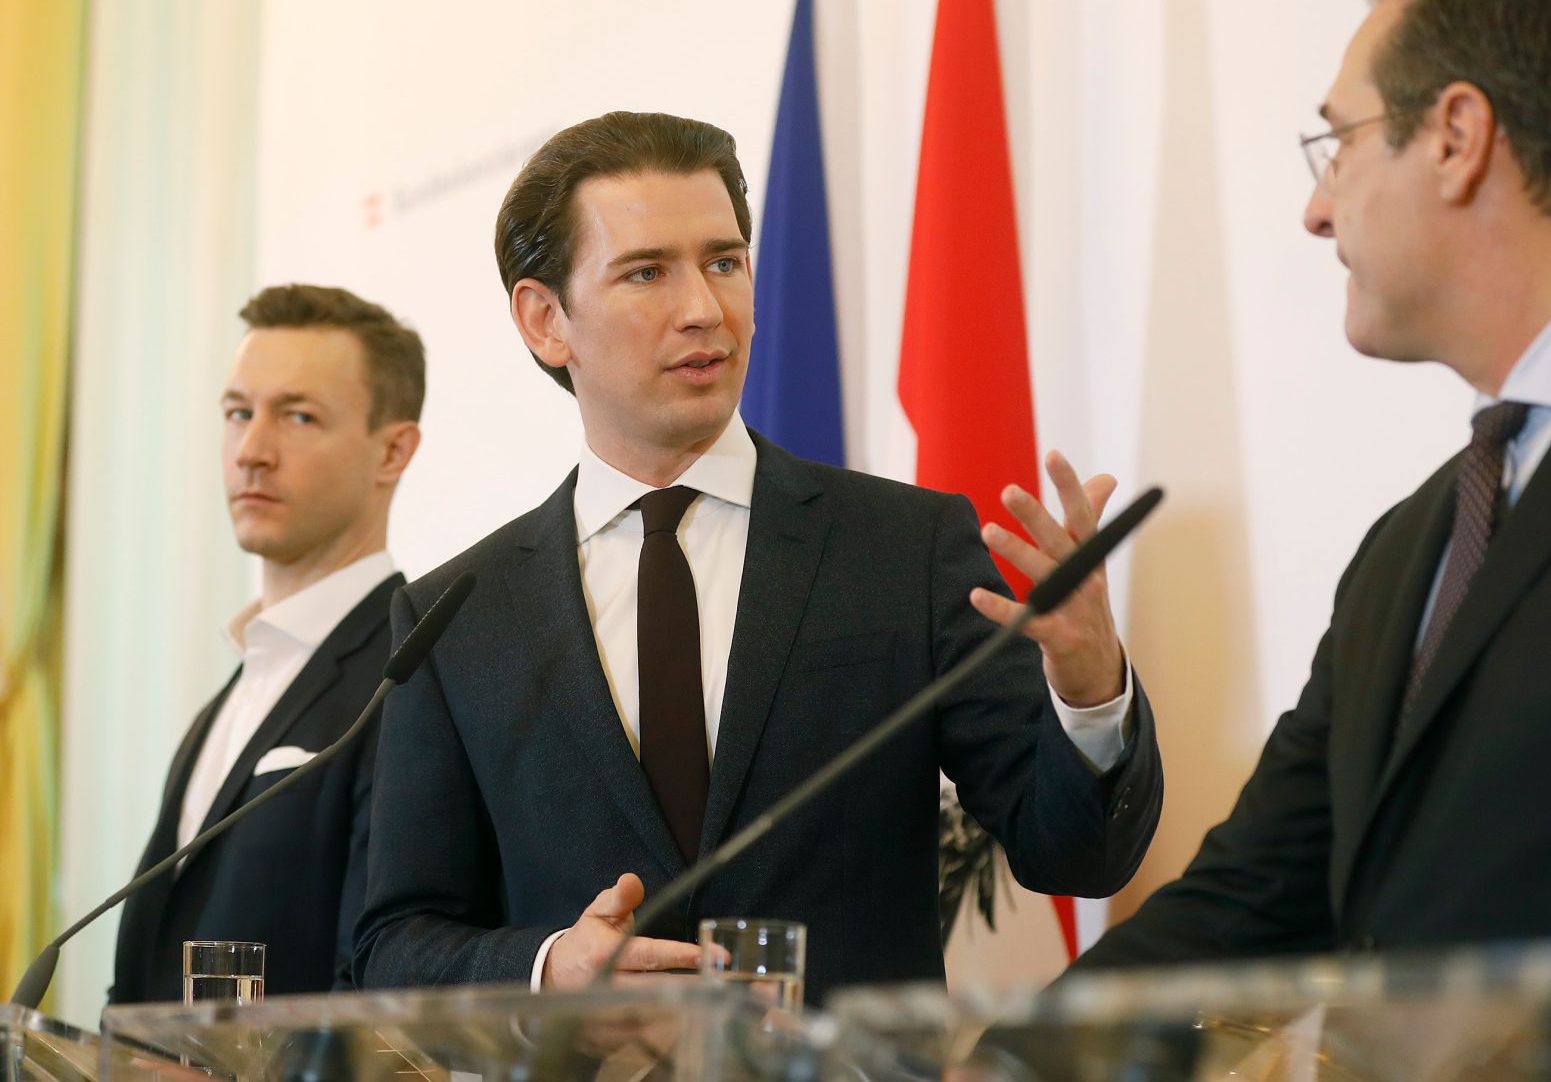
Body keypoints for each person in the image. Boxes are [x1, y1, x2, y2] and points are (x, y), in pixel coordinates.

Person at [1070, 0, 1551, 973]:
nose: (1313, 209)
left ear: (1453, 136)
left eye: (1335, 143)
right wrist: (995, 1059)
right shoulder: (1410, 546)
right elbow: (1250, 897)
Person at [355, 111, 1162, 1003]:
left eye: (724, 262)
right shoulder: (456, 619)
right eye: (647, 272)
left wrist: (1090, 691)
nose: (704, 308)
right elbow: (395, 940)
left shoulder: (903, 546)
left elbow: (1076, 854)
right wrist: (549, 968)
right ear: (546, 320)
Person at [110, 285, 423, 1003]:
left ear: (393, 450)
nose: (252, 451)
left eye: (299, 415)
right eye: (238, 414)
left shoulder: (411, 673)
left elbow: (380, 990)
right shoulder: (236, 688)